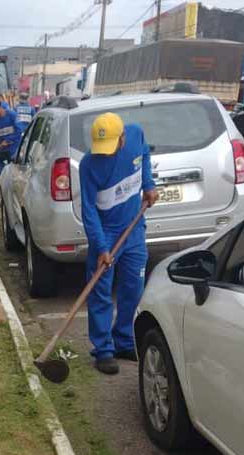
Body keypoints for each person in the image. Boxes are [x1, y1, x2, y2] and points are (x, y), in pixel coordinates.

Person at [78, 112, 158, 375]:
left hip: (133, 228)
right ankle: (103, 350)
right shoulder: (89, 165)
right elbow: (89, 210)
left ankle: (124, 340)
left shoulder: (135, 135)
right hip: (107, 232)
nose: (105, 154)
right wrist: (101, 247)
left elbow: (145, 153)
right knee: (100, 291)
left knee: (133, 288)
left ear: (122, 138)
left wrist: (148, 184)